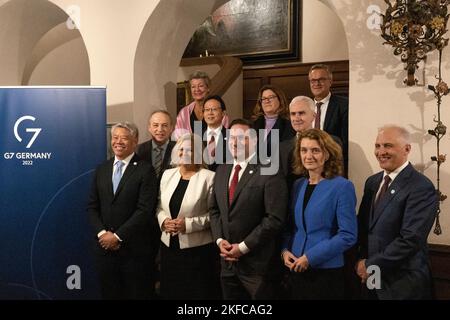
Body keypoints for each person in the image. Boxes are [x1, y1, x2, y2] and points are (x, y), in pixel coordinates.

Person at [355, 125, 438, 300]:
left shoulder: (421, 186)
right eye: (377, 146)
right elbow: (364, 228)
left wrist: (370, 265)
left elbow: (410, 239)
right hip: (373, 277)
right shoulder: (372, 182)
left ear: (407, 149)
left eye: (388, 145)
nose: (381, 151)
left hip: (403, 283)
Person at [210, 119, 288, 300]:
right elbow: (214, 210)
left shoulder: (270, 169)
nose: (234, 142)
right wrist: (220, 240)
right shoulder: (222, 170)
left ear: (254, 141)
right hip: (227, 263)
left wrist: (243, 247)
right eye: (231, 138)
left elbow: (274, 218)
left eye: (241, 138)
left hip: (257, 265)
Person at [281, 128, 357, 300]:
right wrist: (285, 250)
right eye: (304, 150)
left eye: (315, 150)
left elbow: (348, 235)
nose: (308, 155)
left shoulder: (342, 186)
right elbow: (291, 227)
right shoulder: (298, 185)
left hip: (326, 272)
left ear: (327, 154)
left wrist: (310, 257)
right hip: (296, 269)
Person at [87, 122, 158, 299]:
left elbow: (144, 210)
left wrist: (117, 236)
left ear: (135, 141)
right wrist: (103, 234)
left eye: (124, 138)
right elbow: (92, 206)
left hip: (133, 252)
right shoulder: (102, 169)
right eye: (115, 137)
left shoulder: (145, 170)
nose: (118, 141)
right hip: (105, 251)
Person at [157, 133, 220, 300]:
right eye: (181, 149)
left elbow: (214, 214)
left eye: (189, 150)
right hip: (169, 247)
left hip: (198, 251)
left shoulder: (209, 177)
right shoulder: (167, 175)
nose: (183, 153)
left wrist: (189, 224)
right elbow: (158, 206)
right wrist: (164, 220)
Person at [279, 96, 342, 188]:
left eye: (301, 113)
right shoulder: (282, 148)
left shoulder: (332, 141)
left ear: (314, 116)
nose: (296, 118)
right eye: (293, 114)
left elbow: (338, 175)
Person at [308, 64, 348, 174]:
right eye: (313, 80)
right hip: (308, 166)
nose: (316, 83)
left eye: (321, 79)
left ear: (330, 81)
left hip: (332, 166)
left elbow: (345, 142)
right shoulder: (305, 106)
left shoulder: (344, 105)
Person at [174, 71, 229, 139]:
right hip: (188, 149)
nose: (197, 89)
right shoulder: (184, 113)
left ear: (208, 88)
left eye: (201, 86)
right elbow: (178, 137)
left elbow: (223, 135)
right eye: (193, 87)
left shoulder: (218, 109)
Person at [252, 85, 295, 160]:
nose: (267, 101)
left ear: (280, 100)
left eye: (271, 97)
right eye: (264, 98)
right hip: (255, 168)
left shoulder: (289, 124)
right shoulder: (254, 124)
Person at [136, 110, 176, 180]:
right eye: (155, 125)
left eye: (165, 125)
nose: (160, 129)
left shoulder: (179, 149)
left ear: (171, 128)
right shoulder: (138, 150)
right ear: (149, 128)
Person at [202, 95, 230, 171]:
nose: (210, 113)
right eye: (207, 110)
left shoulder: (232, 136)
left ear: (223, 113)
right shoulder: (196, 137)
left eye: (214, 109)